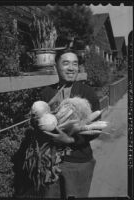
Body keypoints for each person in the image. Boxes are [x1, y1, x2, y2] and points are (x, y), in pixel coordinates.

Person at [40, 48, 101, 198]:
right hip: (50, 161)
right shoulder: (46, 93)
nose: (71, 68)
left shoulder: (87, 93)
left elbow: (96, 128)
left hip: (78, 161)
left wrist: (70, 140)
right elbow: (38, 123)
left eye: (75, 63)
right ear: (56, 66)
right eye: (66, 63)